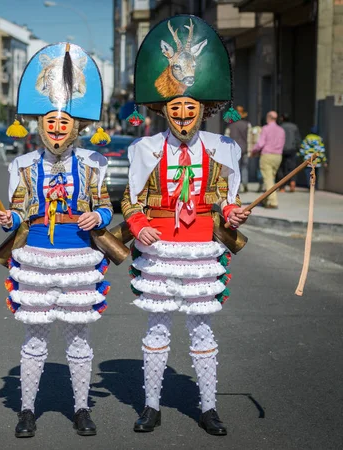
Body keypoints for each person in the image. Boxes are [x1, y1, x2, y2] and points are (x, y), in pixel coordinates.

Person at [123, 15, 250, 436]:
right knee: (156, 327)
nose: (182, 114)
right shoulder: (144, 147)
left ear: (201, 110)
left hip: (200, 251)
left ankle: (209, 407)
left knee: (202, 328)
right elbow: (130, 199)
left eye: (189, 107)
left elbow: (228, 204)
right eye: (175, 107)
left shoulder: (223, 148)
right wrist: (139, 225)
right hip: (158, 250)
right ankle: (151, 405)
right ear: (165, 109)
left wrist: (234, 214)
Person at [0, 42, 113, 438]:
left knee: (79, 338)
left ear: (76, 127)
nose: (57, 130)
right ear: (40, 126)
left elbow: (108, 207)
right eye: (50, 123)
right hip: (36, 256)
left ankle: (81, 408)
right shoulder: (23, 165)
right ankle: (27, 409)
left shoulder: (94, 164)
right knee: (35, 338)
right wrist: (7, 218)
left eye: (64, 124)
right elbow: (17, 210)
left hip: (79, 255)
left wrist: (100, 214)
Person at [252, 111, 285, 208]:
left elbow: (261, 143)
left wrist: (254, 150)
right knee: (271, 178)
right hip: (278, 156)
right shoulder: (281, 130)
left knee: (268, 179)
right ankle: (266, 200)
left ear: (269, 117)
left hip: (267, 155)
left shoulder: (265, 129)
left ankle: (273, 201)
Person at [225, 106, 251, 192]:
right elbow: (249, 138)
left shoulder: (230, 126)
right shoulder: (247, 125)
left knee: (236, 169)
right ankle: (245, 184)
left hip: (234, 150)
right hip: (245, 149)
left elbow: (226, 138)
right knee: (245, 167)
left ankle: (238, 186)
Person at [277, 113, 301, 192]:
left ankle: (282, 187)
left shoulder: (280, 127)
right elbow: (297, 139)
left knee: (281, 168)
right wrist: (298, 148)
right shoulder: (294, 127)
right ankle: (292, 184)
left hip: (282, 149)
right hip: (292, 149)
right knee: (292, 167)